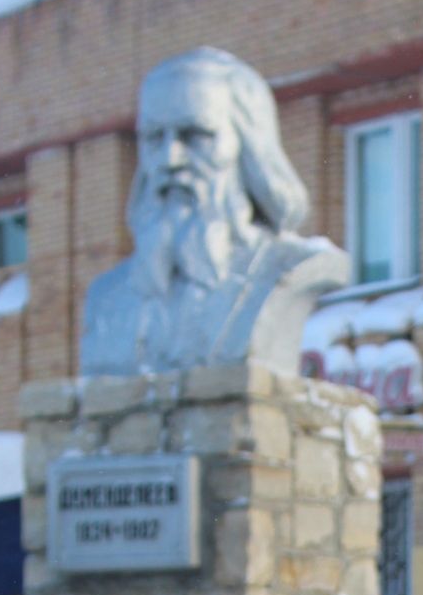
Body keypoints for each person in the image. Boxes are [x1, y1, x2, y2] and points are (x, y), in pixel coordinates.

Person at [81, 46, 345, 376]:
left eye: (196, 136)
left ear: (248, 146)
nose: (169, 159)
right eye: (153, 138)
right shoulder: (107, 299)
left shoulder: (286, 269)